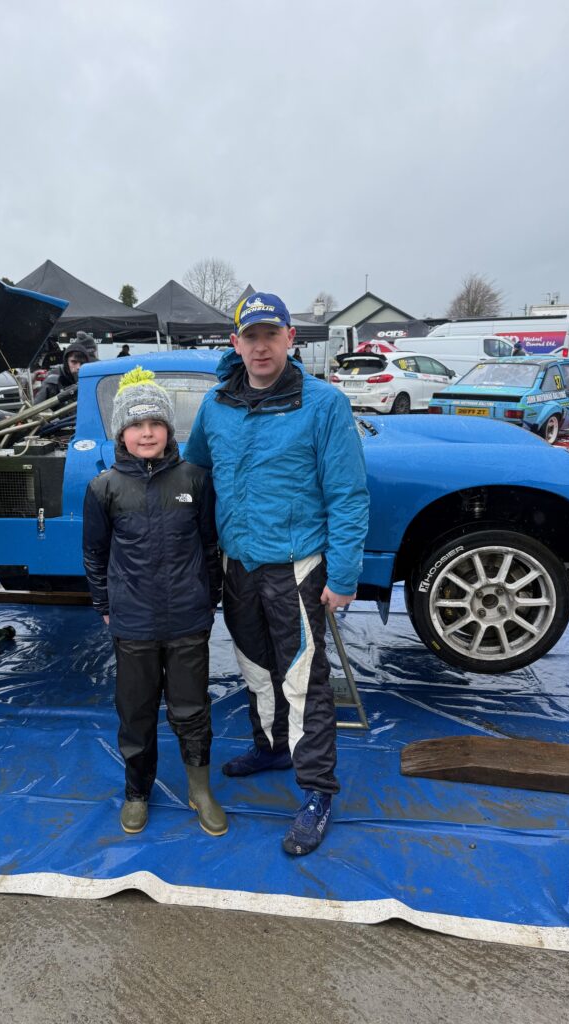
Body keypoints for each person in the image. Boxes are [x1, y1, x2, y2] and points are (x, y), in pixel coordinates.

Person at [184, 292, 369, 856]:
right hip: (238, 563)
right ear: (235, 343)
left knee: (303, 680)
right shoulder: (216, 404)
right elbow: (196, 470)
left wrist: (344, 575)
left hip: (296, 568)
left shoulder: (324, 404)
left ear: (290, 338)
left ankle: (317, 792)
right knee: (255, 667)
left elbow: (348, 494)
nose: (260, 346)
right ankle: (270, 746)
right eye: (250, 336)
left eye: (271, 334)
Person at [83, 367, 226, 837]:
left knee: (191, 708)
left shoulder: (195, 479)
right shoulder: (104, 488)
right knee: (136, 711)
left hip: (187, 619)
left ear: (168, 429)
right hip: (134, 623)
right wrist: (105, 604)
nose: (147, 433)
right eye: (136, 425)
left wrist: (210, 597)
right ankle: (137, 791)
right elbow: (95, 553)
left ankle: (200, 789)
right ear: (121, 433)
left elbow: (210, 544)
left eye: (155, 424)